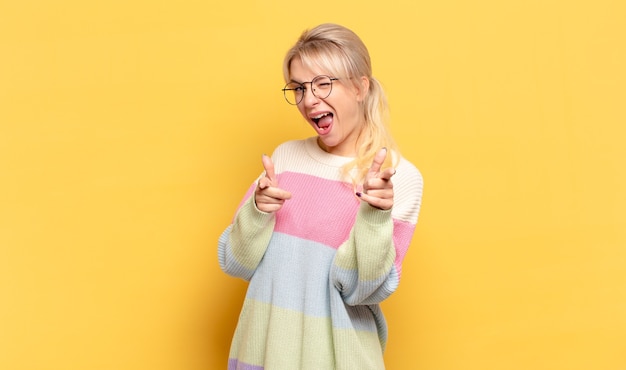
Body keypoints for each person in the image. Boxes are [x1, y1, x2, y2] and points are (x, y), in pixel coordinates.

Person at [218, 23, 423, 370]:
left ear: (361, 87)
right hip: (262, 356)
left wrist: (374, 217)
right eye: (298, 88)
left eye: (323, 83)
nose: (309, 100)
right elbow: (235, 262)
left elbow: (362, 290)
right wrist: (256, 212)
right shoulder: (284, 158)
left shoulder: (398, 178)